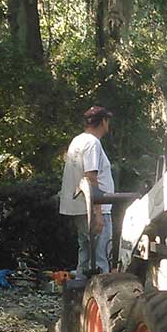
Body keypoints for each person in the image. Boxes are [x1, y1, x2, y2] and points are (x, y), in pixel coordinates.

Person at [59, 106, 115, 279]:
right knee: (101, 258)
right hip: (93, 209)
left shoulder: (77, 140)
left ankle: (80, 296)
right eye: (108, 120)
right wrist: (97, 213)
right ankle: (101, 298)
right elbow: (90, 177)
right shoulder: (92, 143)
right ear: (103, 121)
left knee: (84, 257)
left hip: (79, 208)